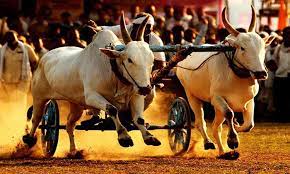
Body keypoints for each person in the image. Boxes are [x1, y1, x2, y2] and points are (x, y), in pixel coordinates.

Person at [82, 13, 166, 126]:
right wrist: (96, 28)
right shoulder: (126, 29)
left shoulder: (155, 41)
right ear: (134, 25)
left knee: (150, 95)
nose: (146, 30)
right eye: (142, 27)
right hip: (120, 72)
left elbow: (160, 64)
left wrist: (152, 76)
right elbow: (107, 30)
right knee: (101, 86)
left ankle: (133, 117)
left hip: (143, 77)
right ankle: (99, 114)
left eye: (148, 28)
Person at [0, 30, 38, 109]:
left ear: (16, 37)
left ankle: (19, 119)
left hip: (22, 83)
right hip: (7, 84)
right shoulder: (2, 50)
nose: (12, 41)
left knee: (20, 105)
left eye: (13, 39)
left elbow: (35, 62)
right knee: (8, 105)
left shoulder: (26, 48)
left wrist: (33, 77)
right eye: (9, 39)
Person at [273, 26, 290, 122]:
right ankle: (280, 117)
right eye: (286, 34)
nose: (288, 36)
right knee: (280, 100)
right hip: (280, 77)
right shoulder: (278, 49)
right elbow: (275, 61)